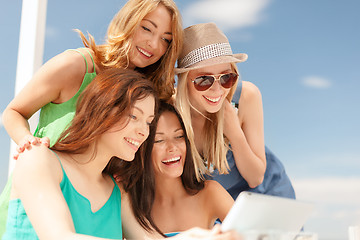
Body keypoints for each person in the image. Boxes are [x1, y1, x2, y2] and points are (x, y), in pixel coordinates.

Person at [0, 0, 183, 236]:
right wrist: (28, 142)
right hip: (43, 194)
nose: (154, 44)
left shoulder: (145, 94)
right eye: (147, 28)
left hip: (96, 203)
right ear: (128, 22)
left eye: (166, 39)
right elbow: (14, 112)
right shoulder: (76, 65)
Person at [2, 68, 157, 239]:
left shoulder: (118, 193)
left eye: (149, 122)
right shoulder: (37, 158)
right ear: (101, 109)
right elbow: (59, 236)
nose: (144, 131)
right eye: (134, 116)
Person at [175, 23, 296, 201]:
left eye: (226, 77)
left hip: (267, 195)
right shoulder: (169, 111)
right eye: (203, 80)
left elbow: (256, 178)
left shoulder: (246, 96)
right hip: (213, 207)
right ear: (184, 80)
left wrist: (234, 133)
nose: (217, 90)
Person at [113, 102, 234, 239]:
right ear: (142, 149)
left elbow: (252, 233)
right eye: (159, 140)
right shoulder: (130, 202)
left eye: (179, 136)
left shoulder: (210, 193)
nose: (172, 147)